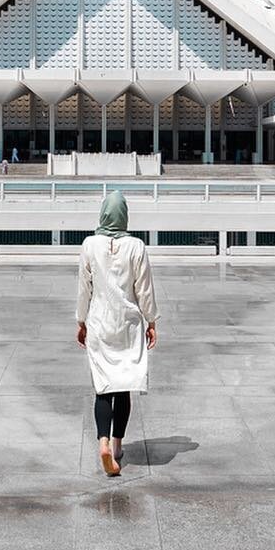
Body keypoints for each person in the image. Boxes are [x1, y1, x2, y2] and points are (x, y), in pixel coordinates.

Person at [76, 190, 158, 477]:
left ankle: (102, 443)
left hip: (99, 322)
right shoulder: (136, 246)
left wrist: (81, 321)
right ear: (124, 216)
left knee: (102, 387)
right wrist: (151, 320)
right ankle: (118, 445)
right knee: (122, 386)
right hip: (128, 325)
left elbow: (84, 289)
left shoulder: (90, 245)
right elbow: (144, 289)